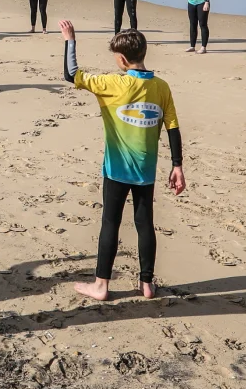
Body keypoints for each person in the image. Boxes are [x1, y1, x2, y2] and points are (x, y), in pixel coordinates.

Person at [58, 20, 185, 302]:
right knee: (145, 223)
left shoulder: (112, 83)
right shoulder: (161, 87)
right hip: (146, 170)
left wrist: (70, 39)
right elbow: (173, 126)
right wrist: (177, 166)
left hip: (116, 169)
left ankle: (101, 286)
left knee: (110, 223)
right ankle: (147, 283)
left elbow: (71, 74)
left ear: (122, 59)